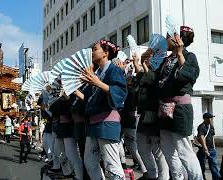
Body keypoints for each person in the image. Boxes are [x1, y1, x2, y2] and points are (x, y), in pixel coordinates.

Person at [149, 26, 203, 179]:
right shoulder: (166, 59)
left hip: (180, 108)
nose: (166, 38)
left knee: (184, 149)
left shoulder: (189, 56)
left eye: (168, 36)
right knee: (167, 149)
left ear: (178, 39)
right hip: (164, 108)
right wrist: (146, 63)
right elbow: (154, 81)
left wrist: (180, 53)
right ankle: (177, 177)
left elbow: (187, 77)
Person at [75, 40, 128, 179]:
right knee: (90, 162)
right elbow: (88, 99)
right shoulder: (96, 73)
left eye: (95, 49)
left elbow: (121, 92)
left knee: (111, 164)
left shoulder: (114, 69)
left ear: (106, 53)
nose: (92, 52)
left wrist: (97, 83)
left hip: (108, 122)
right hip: (93, 124)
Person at [132, 52, 169, 180]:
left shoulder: (159, 72)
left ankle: (163, 176)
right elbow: (141, 77)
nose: (147, 60)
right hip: (144, 114)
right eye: (145, 58)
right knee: (142, 147)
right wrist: (138, 63)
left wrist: (142, 65)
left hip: (156, 113)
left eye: (148, 58)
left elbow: (151, 79)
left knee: (158, 150)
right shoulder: (144, 73)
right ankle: (152, 174)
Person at [197, 113, 221, 180]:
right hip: (203, 150)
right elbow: (201, 137)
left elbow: (212, 136)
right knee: (202, 166)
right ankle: (202, 178)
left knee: (214, 165)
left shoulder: (211, 126)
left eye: (211, 118)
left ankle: (216, 178)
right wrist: (205, 148)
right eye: (208, 118)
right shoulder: (201, 126)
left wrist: (214, 147)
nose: (210, 119)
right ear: (204, 119)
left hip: (212, 149)